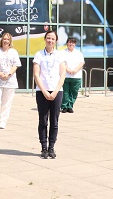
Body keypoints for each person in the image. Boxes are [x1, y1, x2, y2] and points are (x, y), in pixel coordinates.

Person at [33, 29, 66, 159]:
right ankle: (43, 147)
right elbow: (36, 74)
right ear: (45, 39)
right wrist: (45, 91)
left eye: (52, 38)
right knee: (43, 120)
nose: (50, 40)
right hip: (42, 91)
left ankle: (52, 147)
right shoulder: (39, 55)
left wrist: (55, 91)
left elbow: (62, 74)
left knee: (55, 121)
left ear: (56, 40)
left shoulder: (60, 55)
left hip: (57, 91)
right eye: (48, 38)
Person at [0, 32, 21, 129]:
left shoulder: (13, 52)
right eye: (4, 39)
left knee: (6, 103)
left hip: (10, 81)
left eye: (8, 39)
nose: (6, 41)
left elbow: (16, 65)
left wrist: (9, 74)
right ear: (1, 40)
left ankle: (3, 121)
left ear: (10, 41)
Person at [60, 37, 85, 114]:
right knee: (65, 92)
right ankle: (64, 106)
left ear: (75, 44)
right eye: (70, 42)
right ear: (67, 43)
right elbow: (62, 63)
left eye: (73, 43)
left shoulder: (79, 53)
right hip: (65, 76)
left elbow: (82, 63)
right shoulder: (62, 52)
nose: (71, 44)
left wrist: (75, 70)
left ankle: (70, 106)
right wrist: (68, 70)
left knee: (74, 92)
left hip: (76, 76)